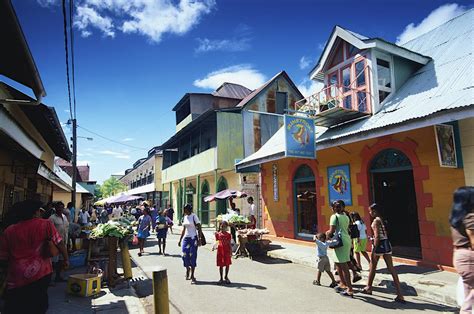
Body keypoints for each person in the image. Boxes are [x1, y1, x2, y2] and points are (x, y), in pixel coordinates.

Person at [0, 200, 69, 314]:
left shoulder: (9, 231)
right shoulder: (45, 224)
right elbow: (59, 243)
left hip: (17, 276)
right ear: (35, 212)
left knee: (17, 306)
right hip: (41, 273)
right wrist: (66, 259)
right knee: (38, 304)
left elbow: (3, 257)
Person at [362, 203, 405, 303]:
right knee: (392, 269)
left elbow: (377, 236)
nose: (370, 213)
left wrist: (374, 249)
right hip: (386, 244)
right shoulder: (383, 220)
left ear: (375, 211)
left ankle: (368, 287)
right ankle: (400, 294)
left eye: (370, 211)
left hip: (379, 246)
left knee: (372, 267)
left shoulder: (376, 221)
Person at [449, 186, 473, 313]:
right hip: (469, 255)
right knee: (470, 295)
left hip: (459, 255)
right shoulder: (469, 217)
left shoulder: (454, 219)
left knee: (468, 292)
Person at [326, 201, 353, 297]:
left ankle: (349, 289)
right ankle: (342, 283)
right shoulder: (346, 216)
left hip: (339, 241)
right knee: (338, 262)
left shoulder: (334, 216)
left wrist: (326, 235)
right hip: (346, 240)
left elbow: (331, 231)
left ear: (333, 208)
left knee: (343, 265)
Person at [178, 204, 202, 284]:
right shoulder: (185, 217)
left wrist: (199, 238)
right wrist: (180, 239)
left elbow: (199, 227)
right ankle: (187, 268)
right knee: (184, 255)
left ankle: (192, 275)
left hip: (193, 238)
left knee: (193, 256)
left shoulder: (194, 216)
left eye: (185, 209)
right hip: (186, 238)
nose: (184, 210)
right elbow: (184, 229)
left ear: (188, 209)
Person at [49, 202, 69, 282]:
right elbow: (49, 231)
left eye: (62, 207)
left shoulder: (64, 217)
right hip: (55, 243)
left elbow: (66, 229)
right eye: (59, 207)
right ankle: (51, 279)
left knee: (61, 261)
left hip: (63, 242)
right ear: (55, 208)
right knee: (54, 261)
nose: (60, 209)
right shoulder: (52, 218)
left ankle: (58, 276)